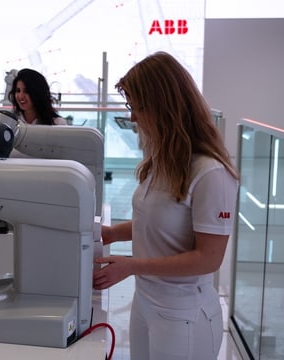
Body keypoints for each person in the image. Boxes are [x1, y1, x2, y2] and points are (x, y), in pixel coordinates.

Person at [92, 51, 239, 360]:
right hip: (146, 302)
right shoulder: (162, 161)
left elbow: (208, 258)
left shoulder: (210, 173)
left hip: (183, 314)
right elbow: (158, 225)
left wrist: (132, 266)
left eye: (136, 107)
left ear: (163, 105)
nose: (132, 117)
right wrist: (110, 234)